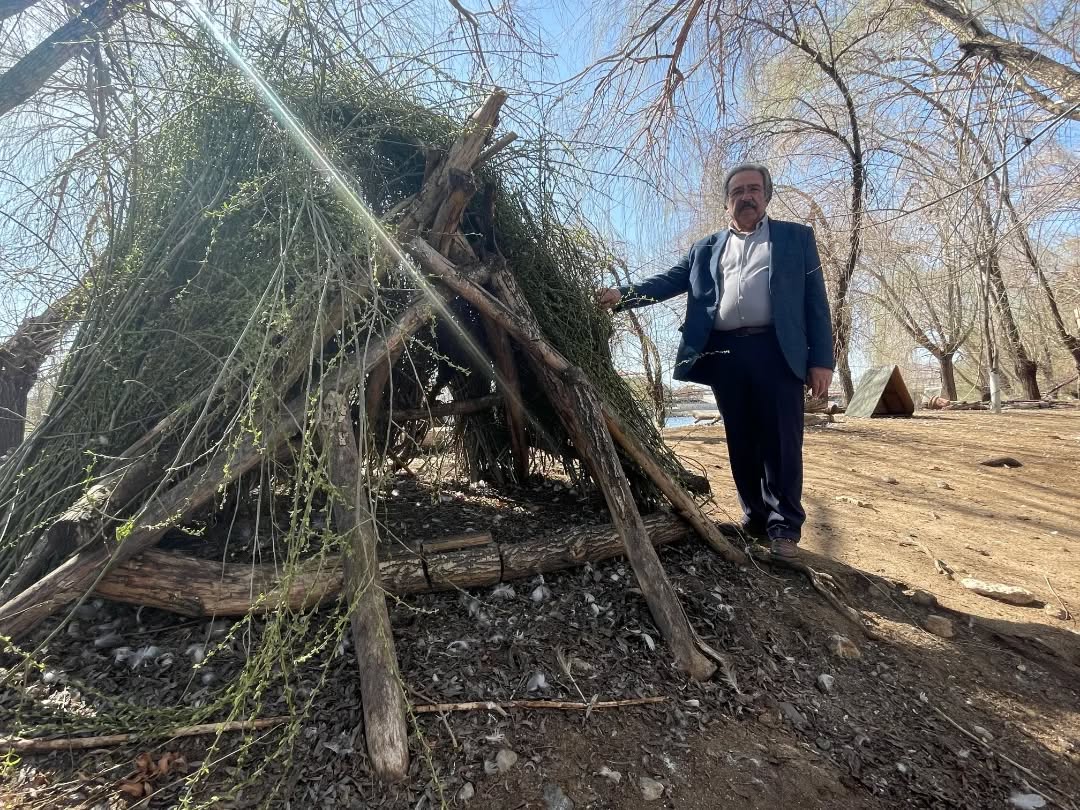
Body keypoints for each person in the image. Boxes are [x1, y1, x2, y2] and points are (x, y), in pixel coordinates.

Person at [597, 163, 833, 558]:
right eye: (738, 191)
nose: (746, 196)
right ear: (727, 202)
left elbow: (816, 301)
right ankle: (755, 518)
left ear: (766, 195)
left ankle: (784, 528)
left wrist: (822, 360)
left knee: (781, 441)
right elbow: (668, 283)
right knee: (741, 439)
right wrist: (622, 296)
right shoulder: (705, 248)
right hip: (726, 353)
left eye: (754, 189)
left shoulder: (796, 238)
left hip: (778, 350)